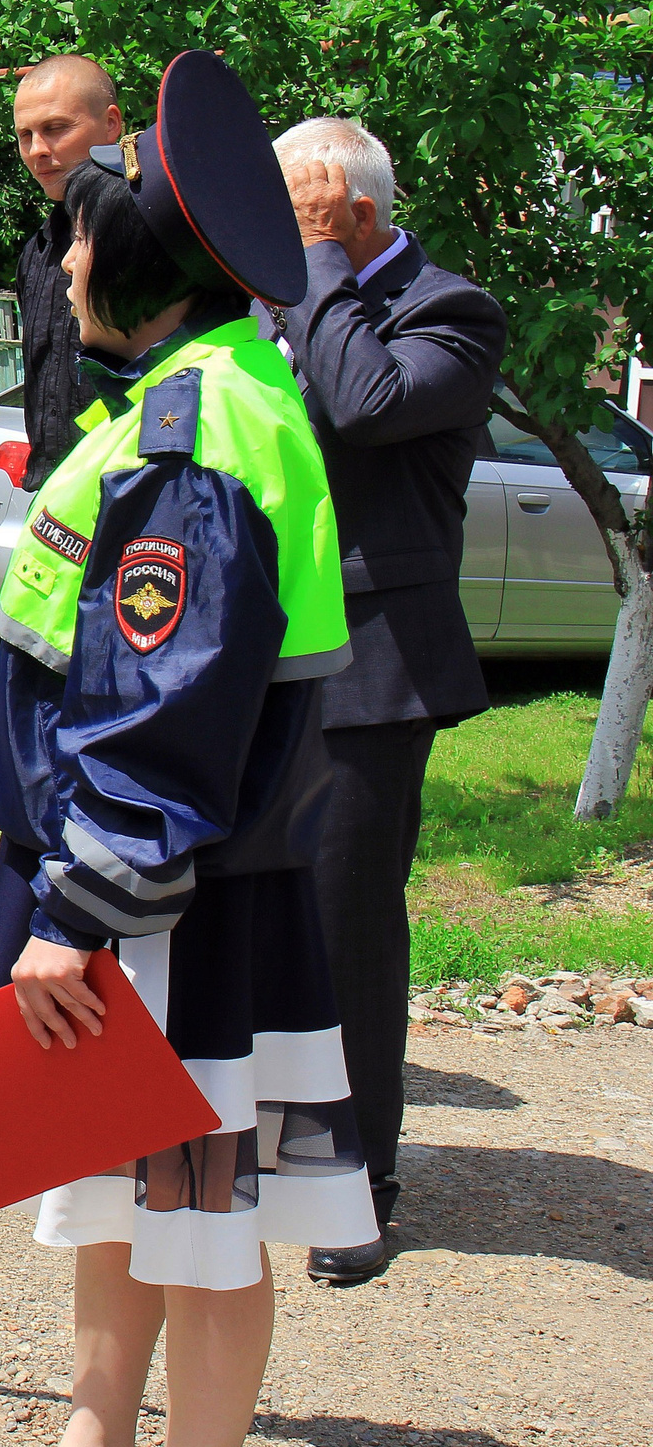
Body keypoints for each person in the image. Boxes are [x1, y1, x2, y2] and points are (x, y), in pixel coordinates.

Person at [0, 51, 376, 1447]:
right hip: (140, 883)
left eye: (85, 232)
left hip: (170, 899)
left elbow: (172, 707)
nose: (63, 251)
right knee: (117, 1191)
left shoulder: (197, 432)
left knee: (201, 1222)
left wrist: (80, 908)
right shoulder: (194, 388)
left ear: (145, 263)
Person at [270, 117, 504, 1286]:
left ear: (349, 212)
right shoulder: (275, 303)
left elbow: (361, 404)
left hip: (372, 664)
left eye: (298, 210)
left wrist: (316, 266)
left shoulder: (449, 310)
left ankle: (358, 1177)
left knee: (342, 924)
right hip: (260, 656)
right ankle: (261, 1150)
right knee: (250, 918)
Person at [9, 55, 126, 492]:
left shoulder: (153, 240)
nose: (38, 149)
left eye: (56, 129)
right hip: (51, 498)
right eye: (26, 135)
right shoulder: (38, 252)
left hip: (129, 499)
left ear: (111, 124)